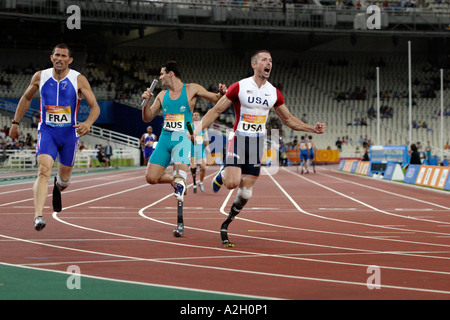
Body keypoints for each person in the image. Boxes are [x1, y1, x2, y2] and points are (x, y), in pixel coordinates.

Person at [192, 50, 326, 247]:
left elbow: (288, 119)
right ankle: (222, 173)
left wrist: (312, 129)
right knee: (231, 183)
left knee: (246, 194)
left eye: (271, 60)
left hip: (257, 143)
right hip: (238, 138)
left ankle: (228, 221)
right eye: (265, 59)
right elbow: (216, 110)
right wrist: (198, 129)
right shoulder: (240, 86)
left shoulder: (273, 92)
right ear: (254, 64)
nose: (269, 63)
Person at [9, 43, 100, 231]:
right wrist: (15, 123)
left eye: (63, 56)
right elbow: (26, 99)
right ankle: (38, 216)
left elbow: (95, 107)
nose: (59, 58)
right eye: (56, 55)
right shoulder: (40, 76)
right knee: (43, 170)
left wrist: (88, 123)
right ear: (51, 57)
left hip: (69, 134)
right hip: (47, 131)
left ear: (70, 60)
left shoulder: (79, 79)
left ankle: (58, 186)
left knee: (65, 180)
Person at [141, 60, 226, 236]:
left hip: (183, 136)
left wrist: (221, 92)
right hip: (165, 137)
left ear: (171, 73)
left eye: (162, 73)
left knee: (180, 178)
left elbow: (216, 99)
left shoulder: (191, 89)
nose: (160, 77)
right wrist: (146, 102)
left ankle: (180, 224)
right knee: (150, 177)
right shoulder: (161, 95)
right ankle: (176, 180)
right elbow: (147, 118)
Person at [190, 111, 210, 193]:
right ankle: (194, 183)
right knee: (193, 167)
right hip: (192, 149)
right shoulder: (190, 126)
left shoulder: (203, 127)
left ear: (199, 117)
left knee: (204, 167)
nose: (196, 116)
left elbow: (206, 138)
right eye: (194, 115)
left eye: (197, 115)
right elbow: (187, 137)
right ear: (192, 117)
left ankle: (201, 182)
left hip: (201, 149)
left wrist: (207, 145)